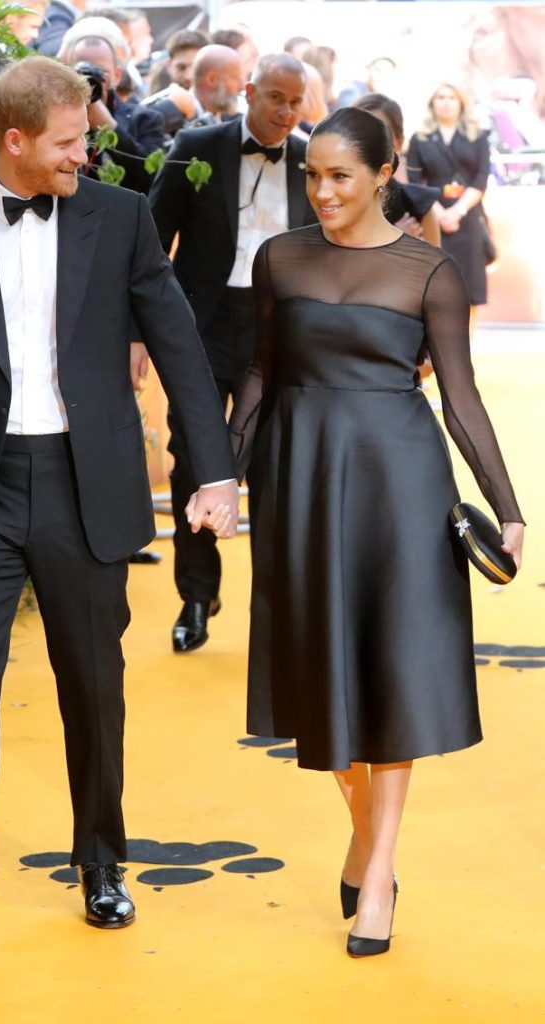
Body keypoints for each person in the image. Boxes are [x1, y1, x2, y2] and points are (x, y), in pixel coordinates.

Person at [0, 56, 239, 967]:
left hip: (89, 482)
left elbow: (180, 348)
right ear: (16, 141)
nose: (88, 154)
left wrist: (215, 471)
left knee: (94, 686)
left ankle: (102, 864)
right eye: (72, 142)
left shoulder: (118, 218)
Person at [221, 106, 524, 957]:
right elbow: (258, 372)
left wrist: (507, 507)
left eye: (339, 176)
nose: (321, 191)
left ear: (384, 174)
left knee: (388, 669)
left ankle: (378, 874)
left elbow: (459, 398)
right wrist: (226, 474)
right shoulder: (279, 258)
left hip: (399, 480)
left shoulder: (429, 272)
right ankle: (365, 836)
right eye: (311, 175)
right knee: (318, 662)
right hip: (301, 477)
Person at [149, 54, 315, 653]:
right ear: (248, 91)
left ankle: (278, 607)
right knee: (193, 457)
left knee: (276, 465)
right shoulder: (198, 145)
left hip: (280, 330)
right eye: (275, 96)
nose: (285, 111)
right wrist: (140, 333)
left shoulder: (313, 156)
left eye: (296, 102)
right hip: (202, 324)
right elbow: (152, 238)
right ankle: (196, 594)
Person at [406, 83, 492, 316]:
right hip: (432, 216)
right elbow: (414, 181)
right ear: (432, 103)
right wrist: (439, 213)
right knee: (436, 290)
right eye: (440, 97)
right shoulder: (420, 138)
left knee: (471, 292)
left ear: (461, 102)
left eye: (452, 97)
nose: (445, 102)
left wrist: (457, 211)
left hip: (469, 217)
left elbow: (481, 178)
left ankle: (468, 350)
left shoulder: (477, 136)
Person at [61, 33, 164, 193]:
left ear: (116, 76)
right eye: (81, 71)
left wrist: (110, 127)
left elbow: (153, 179)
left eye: (100, 71)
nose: (89, 79)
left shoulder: (145, 119)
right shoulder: (55, 119)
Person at [354, 93, 441, 246]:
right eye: (359, 134)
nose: (369, 143)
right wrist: (395, 242)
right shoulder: (334, 199)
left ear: (399, 142)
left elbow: (436, 268)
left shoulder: (418, 205)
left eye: (380, 134)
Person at [142, 44, 245, 140]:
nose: (242, 87)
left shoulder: (235, 119)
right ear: (212, 79)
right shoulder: (161, 111)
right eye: (236, 78)